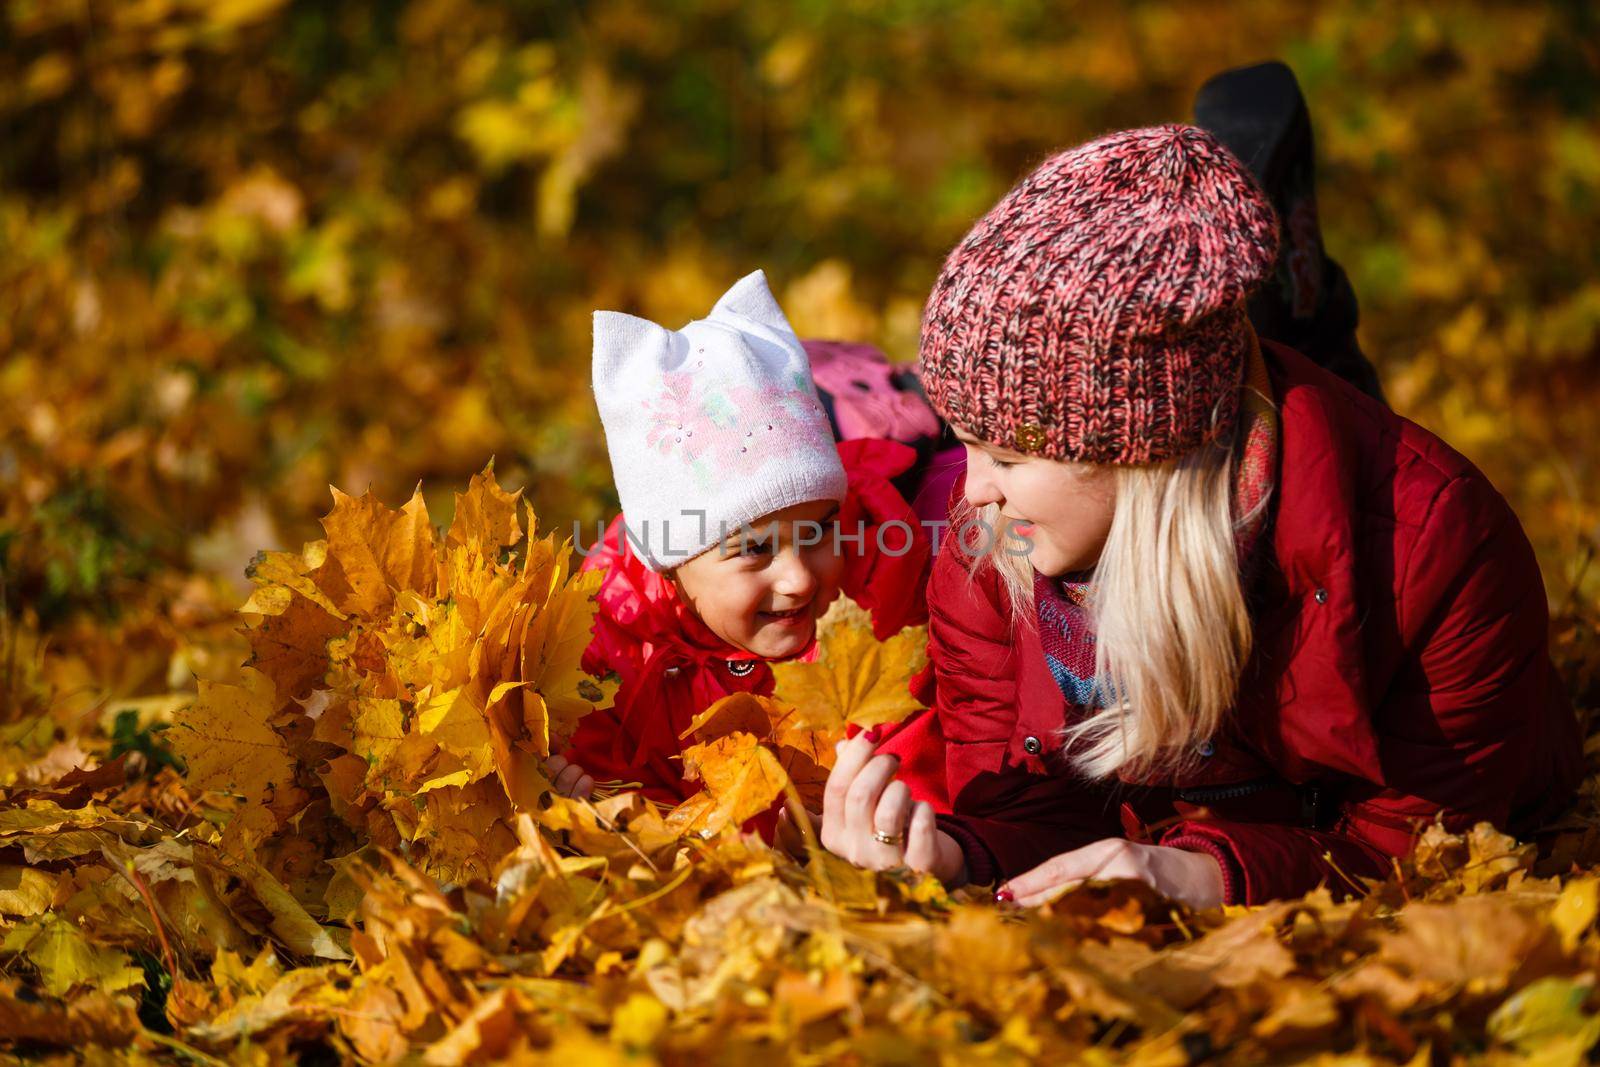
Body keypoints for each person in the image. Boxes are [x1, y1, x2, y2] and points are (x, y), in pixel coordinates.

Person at [814, 125, 1582, 908]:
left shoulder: (1440, 550)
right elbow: (1033, 813)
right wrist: (953, 854)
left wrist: (1202, 874)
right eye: (965, 443)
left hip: (1353, 810)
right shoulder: (993, 538)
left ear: (1140, 451)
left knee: (1338, 461)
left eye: (1007, 455)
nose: (972, 492)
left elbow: (1419, 849)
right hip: (1210, 532)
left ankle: (1302, 303)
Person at [544, 270, 933, 811]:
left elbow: (922, 778)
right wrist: (607, 813)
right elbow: (633, 804)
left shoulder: (881, 605)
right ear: (671, 564)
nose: (798, 578)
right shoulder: (616, 651)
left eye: (819, 530)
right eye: (754, 548)